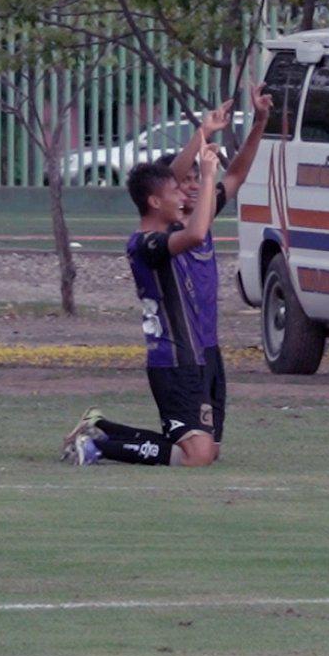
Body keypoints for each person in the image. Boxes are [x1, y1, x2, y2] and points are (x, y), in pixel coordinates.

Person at [62, 85, 273, 467]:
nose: (185, 190)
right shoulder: (152, 242)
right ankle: (96, 447)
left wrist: (257, 122)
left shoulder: (193, 216)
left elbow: (233, 176)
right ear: (160, 200)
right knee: (196, 456)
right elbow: (175, 204)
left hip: (205, 351)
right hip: (175, 356)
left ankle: (101, 428)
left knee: (206, 450)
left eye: (192, 184)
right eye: (180, 186)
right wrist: (206, 165)